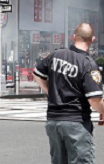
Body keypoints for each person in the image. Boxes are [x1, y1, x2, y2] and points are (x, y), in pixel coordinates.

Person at [33, 23, 104, 164]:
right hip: (76, 121)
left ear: (74, 37)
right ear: (92, 39)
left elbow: (37, 74)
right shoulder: (88, 64)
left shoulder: (56, 55)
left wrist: (50, 92)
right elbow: (94, 100)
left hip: (53, 121)